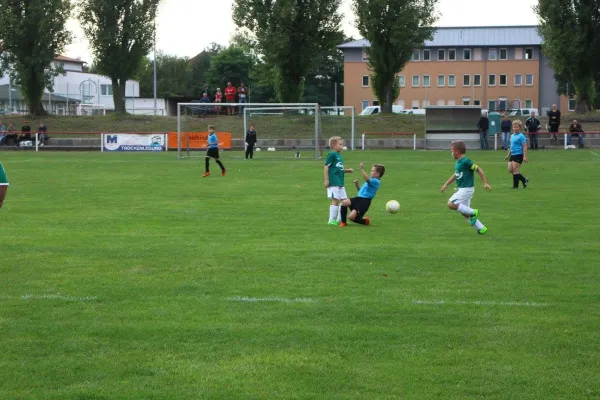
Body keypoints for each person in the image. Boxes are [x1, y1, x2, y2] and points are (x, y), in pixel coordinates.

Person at [440, 140, 491, 235]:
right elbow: (456, 175)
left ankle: (473, 212)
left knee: (451, 204)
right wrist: (446, 184)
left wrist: (485, 183)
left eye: (452, 151)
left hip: (466, 189)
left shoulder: (466, 161)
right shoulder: (458, 162)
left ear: (457, 152)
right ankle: (481, 228)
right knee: (464, 213)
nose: (451, 153)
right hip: (463, 189)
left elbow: (478, 169)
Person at [339, 162, 385, 227]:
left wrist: (361, 169)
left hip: (365, 201)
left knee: (351, 217)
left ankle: (365, 221)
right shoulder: (371, 180)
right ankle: (343, 223)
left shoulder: (376, 181)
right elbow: (361, 192)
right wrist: (357, 185)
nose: (370, 172)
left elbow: (367, 179)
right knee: (344, 202)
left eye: (372, 171)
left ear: (377, 174)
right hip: (359, 198)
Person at [324, 136, 353, 226]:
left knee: (344, 201)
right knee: (335, 200)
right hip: (333, 182)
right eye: (340, 145)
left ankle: (340, 219)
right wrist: (326, 179)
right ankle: (331, 220)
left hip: (340, 182)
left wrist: (347, 170)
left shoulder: (339, 156)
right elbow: (326, 167)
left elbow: (338, 169)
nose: (342, 146)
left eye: (342, 144)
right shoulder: (332, 154)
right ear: (334, 146)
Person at [504, 120, 529, 189]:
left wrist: (524, 156)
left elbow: (524, 146)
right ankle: (524, 179)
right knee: (510, 169)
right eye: (514, 127)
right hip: (513, 155)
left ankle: (515, 186)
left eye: (516, 127)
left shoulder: (521, 136)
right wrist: (508, 155)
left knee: (515, 170)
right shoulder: (512, 136)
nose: (515, 129)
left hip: (519, 155)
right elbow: (511, 146)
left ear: (520, 128)